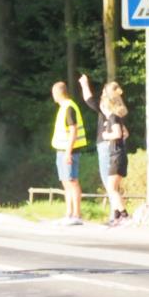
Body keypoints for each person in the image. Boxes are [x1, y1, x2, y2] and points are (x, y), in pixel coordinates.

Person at [79, 76, 130, 225]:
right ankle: (116, 215)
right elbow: (125, 133)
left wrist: (84, 84)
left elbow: (89, 99)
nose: (100, 95)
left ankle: (119, 216)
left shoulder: (109, 112)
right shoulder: (120, 109)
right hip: (118, 149)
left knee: (109, 184)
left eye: (102, 92)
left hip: (108, 147)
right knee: (113, 185)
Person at [51, 81, 87, 225]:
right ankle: (69, 213)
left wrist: (68, 152)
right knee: (66, 182)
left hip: (69, 151)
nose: (53, 96)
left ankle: (76, 215)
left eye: (54, 93)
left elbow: (73, 130)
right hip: (62, 150)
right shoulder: (64, 107)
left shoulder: (69, 108)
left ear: (59, 93)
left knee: (72, 181)